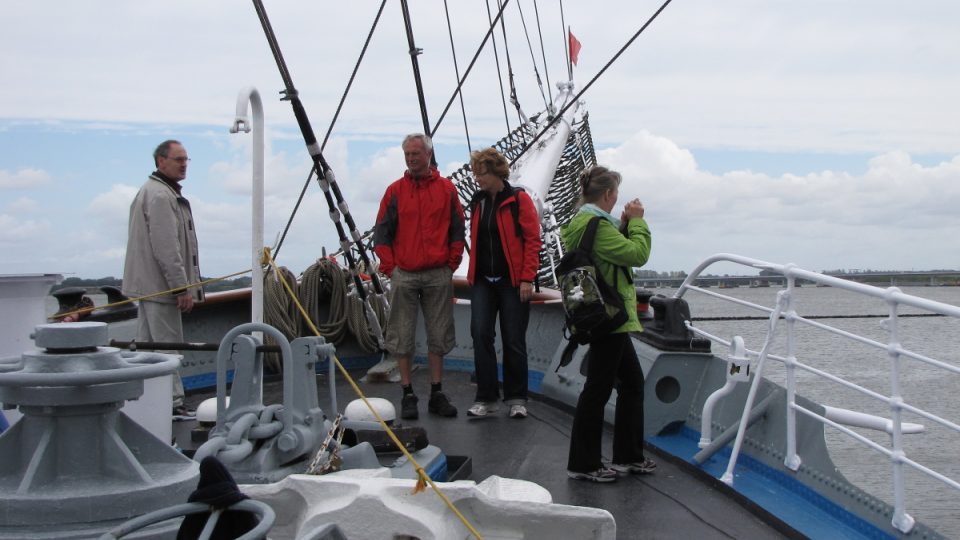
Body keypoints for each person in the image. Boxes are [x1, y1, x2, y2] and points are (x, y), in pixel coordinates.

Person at [562, 165, 656, 482]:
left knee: (631, 383)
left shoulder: (583, 222)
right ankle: (584, 463)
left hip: (602, 314)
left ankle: (628, 456)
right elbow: (636, 253)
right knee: (598, 389)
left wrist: (625, 222)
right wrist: (639, 221)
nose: (617, 199)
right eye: (615, 193)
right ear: (607, 194)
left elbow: (607, 242)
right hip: (610, 315)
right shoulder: (597, 226)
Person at [374, 133, 466, 420]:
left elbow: (457, 229)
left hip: (438, 272)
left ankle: (436, 393)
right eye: (407, 155)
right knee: (402, 334)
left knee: (439, 334)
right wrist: (392, 268)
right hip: (405, 274)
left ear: (428, 154)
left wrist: (451, 263)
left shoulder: (446, 190)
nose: (411, 159)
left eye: (416, 154)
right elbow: (381, 233)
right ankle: (407, 393)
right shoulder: (395, 192)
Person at [122, 140, 204, 417]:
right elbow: (167, 247)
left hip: (149, 288)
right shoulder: (161, 196)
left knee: (148, 347)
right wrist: (180, 288)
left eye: (186, 160)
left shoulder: (156, 192)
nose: (183, 165)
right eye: (178, 159)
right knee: (167, 347)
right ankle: (172, 404)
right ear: (161, 161)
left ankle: (149, 404)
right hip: (160, 289)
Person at [465, 148, 541, 419]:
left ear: (497, 172)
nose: (477, 179)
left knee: (513, 340)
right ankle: (486, 398)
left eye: (481, 173)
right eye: (475, 173)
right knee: (481, 334)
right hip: (484, 280)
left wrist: (526, 278)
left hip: (512, 282)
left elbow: (533, 240)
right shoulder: (478, 202)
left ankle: (517, 398)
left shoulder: (519, 200)